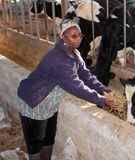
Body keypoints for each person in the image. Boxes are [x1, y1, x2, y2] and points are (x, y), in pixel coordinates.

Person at [17, 18, 115, 160]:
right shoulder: (58, 58)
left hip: (50, 103)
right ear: (63, 36)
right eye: (73, 36)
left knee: (49, 137)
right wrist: (102, 100)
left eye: (80, 35)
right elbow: (77, 86)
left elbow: (86, 76)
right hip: (34, 102)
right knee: (35, 142)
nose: (78, 39)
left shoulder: (74, 54)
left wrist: (105, 90)